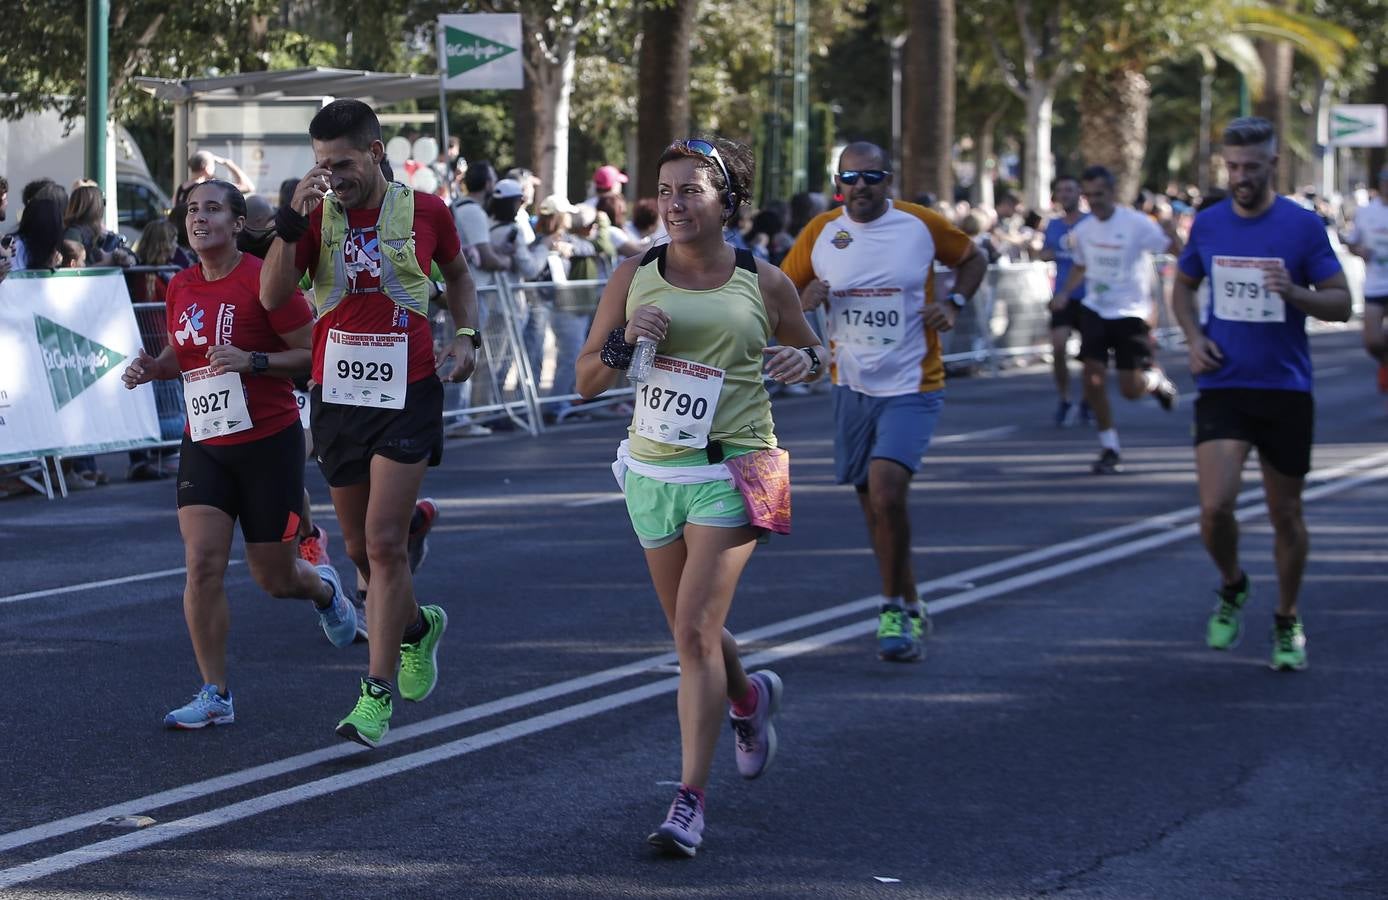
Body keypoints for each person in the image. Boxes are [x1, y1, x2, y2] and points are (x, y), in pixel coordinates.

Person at [576, 136, 824, 857]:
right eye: (665, 190)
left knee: (692, 634)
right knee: (698, 635)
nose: (674, 204)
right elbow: (588, 380)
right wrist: (624, 339)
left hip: (734, 470)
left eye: (691, 190)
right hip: (652, 474)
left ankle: (688, 801)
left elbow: (813, 354)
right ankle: (748, 700)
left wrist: (799, 360)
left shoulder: (763, 279)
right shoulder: (633, 274)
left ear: (726, 201)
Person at [261, 99, 479, 747]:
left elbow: (460, 277)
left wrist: (465, 335)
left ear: (377, 153)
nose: (334, 175)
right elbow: (273, 297)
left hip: (408, 388)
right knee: (357, 549)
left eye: (345, 162)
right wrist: (287, 224)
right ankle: (417, 628)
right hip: (338, 395)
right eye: (323, 164)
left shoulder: (427, 212)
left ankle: (374, 694)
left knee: (384, 545)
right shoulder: (313, 215)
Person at [119, 179, 358, 728]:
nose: (199, 219)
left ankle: (324, 590)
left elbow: (311, 354)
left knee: (275, 579)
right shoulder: (180, 285)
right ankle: (215, 694)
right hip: (205, 441)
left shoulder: (264, 282)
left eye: (212, 210)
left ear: (238, 224)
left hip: (267, 443)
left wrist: (253, 361)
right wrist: (154, 368)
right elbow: (185, 352)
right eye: (192, 211)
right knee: (201, 564)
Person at [782, 142, 985, 663]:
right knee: (875, 506)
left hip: (913, 384)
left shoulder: (920, 225)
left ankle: (891, 606)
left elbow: (973, 258)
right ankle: (911, 600)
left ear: (888, 180)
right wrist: (804, 303)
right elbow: (780, 292)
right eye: (851, 177)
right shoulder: (821, 232)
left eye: (872, 176)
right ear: (838, 182)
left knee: (888, 492)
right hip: (850, 385)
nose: (861, 186)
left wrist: (953, 302)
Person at [1171, 117, 1350, 672]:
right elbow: (1183, 285)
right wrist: (1195, 338)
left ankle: (1287, 617)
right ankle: (1232, 583)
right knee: (1214, 508)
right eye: (1233, 167)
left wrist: (1293, 291)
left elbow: (1341, 303)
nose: (1241, 177)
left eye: (1252, 167)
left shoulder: (1301, 227)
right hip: (1224, 381)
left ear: (1274, 164)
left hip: (1284, 387)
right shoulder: (1209, 223)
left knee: (1285, 514)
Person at [1051, 165, 1182, 475]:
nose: (1094, 201)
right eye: (1089, 195)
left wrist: (1170, 227)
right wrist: (1065, 293)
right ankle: (1110, 446)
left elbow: (1175, 250)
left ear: (1112, 192)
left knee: (1129, 389)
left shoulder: (1136, 224)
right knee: (1092, 378)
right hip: (1096, 308)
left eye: (1099, 194)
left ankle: (1154, 380)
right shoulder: (1083, 230)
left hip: (1131, 312)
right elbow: (1081, 266)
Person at [1038, 175, 1091, 426]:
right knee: (1058, 346)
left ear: (1079, 193)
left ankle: (1090, 400)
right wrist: (1045, 253)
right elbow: (1046, 252)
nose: (1065, 194)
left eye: (1070, 189)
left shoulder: (1091, 223)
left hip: (1090, 296)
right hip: (1062, 296)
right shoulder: (1053, 225)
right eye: (1061, 190)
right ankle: (1065, 397)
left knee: (1091, 356)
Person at [1344, 166, 1388, 392]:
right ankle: (1384, 362)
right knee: (1373, 342)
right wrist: (1360, 250)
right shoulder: (1366, 212)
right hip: (1375, 284)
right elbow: (1351, 242)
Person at [63, 185, 136, 268]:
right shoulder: (73, 233)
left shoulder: (98, 233)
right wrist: (108, 262)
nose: (102, 207)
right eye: (102, 202)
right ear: (93, 207)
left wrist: (127, 258)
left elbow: (132, 257)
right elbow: (73, 271)